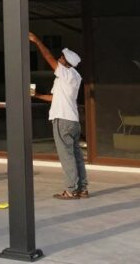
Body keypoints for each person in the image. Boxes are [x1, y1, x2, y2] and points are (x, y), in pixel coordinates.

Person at [29, 32, 88, 200]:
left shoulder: (65, 73)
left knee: (67, 156)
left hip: (62, 120)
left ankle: (70, 190)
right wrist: (37, 95)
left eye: (61, 57)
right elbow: (54, 97)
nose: (58, 58)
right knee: (76, 156)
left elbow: (48, 58)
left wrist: (37, 40)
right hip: (73, 121)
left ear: (65, 61)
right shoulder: (75, 76)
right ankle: (82, 189)